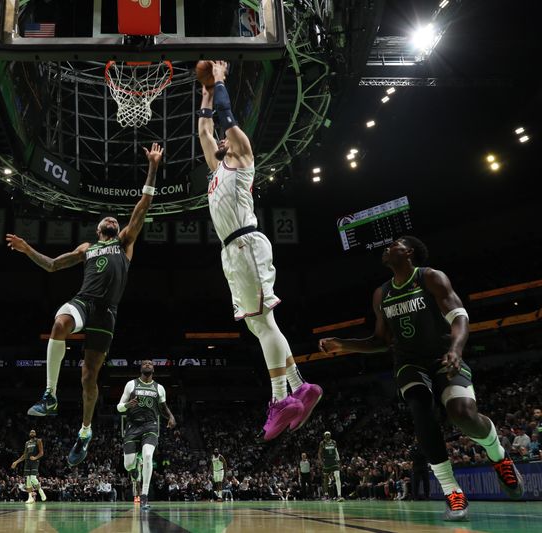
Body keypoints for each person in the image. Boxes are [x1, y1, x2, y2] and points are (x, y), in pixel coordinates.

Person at [319, 236, 524, 521]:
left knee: (462, 414)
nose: (387, 247)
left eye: (394, 244)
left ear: (409, 252)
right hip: (409, 363)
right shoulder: (382, 293)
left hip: (444, 356)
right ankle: (452, 492)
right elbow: (381, 340)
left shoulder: (431, 278)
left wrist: (455, 349)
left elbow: (460, 318)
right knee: (420, 407)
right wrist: (345, 344)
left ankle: (498, 454)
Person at [6, 143, 164, 466]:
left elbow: (144, 204)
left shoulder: (124, 243)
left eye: (113, 219)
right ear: (97, 230)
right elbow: (51, 265)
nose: (110, 218)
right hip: (83, 302)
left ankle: (85, 431)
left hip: (106, 314)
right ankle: (49, 395)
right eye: (105, 219)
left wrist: (153, 167)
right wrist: (27, 250)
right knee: (59, 323)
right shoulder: (87, 249)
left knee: (88, 377)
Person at [197, 61, 322, 441]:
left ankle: (281, 398)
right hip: (232, 250)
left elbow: (225, 117)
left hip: (247, 243)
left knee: (263, 322)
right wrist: (203, 90)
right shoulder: (216, 170)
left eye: (226, 139)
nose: (220, 139)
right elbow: (205, 128)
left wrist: (219, 82)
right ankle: (300, 385)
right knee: (258, 323)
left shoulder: (244, 158)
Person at [117, 359, 177, 510]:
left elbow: (163, 407)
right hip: (132, 427)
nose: (148, 364)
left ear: (154, 369)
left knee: (148, 456)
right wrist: (127, 405)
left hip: (151, 426)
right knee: (128, 464)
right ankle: (134, 470)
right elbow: (119, 407)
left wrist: (171, 416)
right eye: (145, 363)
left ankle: (144, 496)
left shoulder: (159, 388)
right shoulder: (131, 384)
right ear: (140, 368)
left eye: (150, 363)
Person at [11, 429, 46, 504]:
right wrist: (16, 462)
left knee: (33, 478)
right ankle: (30, 498)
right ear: (29, 434)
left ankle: (40, 491)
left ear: (35, 434)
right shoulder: (27, 443)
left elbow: (41, 453)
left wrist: (35, 457)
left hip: (34, 462)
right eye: (31, 432)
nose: (32, 433)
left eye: (33, 432)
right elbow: (24, 455)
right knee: (28, 480)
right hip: (27, 462)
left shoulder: (38, 441)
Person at [318, 431, 343, 502]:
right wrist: (321, 462)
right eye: (326, 434)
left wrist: (339, 460)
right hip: (326, 461)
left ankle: (339, 496)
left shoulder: (334, 442)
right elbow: (319, 453)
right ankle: (326, 495)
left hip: (334, 461)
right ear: (324, 435)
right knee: (325, 478)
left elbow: (336, 451)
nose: (327, 435)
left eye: (328, 434)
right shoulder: (322, 443)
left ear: (330, 435)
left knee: (337, 476)